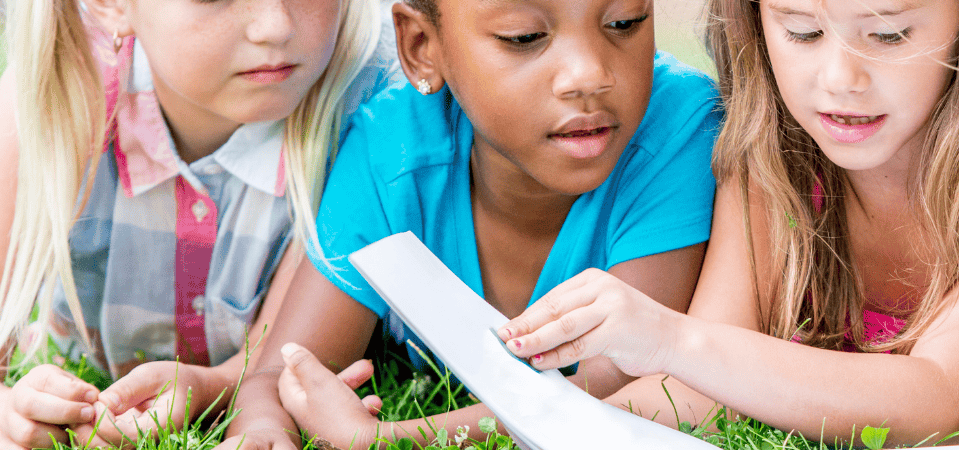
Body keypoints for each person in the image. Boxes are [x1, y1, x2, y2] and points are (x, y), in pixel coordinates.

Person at [492, 0, 959, 445]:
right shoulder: (773, 151)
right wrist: (419, 435)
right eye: (802, 30)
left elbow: (941, 401)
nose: (841, 79)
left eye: (889, 34)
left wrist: (669, 340)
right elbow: (700, 392)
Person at [220, 0, 724, 447]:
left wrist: (389, 439)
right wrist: (261, 430)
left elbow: (618, 379)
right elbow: (285, 370)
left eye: (623, 22)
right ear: (421, 46)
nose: (589, 74)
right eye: (524, 37)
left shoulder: (679, 128)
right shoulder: (390, 150)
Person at [0, 0, 387, 447]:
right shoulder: (59, 91)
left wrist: (204, 392)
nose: (275, 25)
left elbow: (277, 369)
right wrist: (3, 420)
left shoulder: (371, 103)